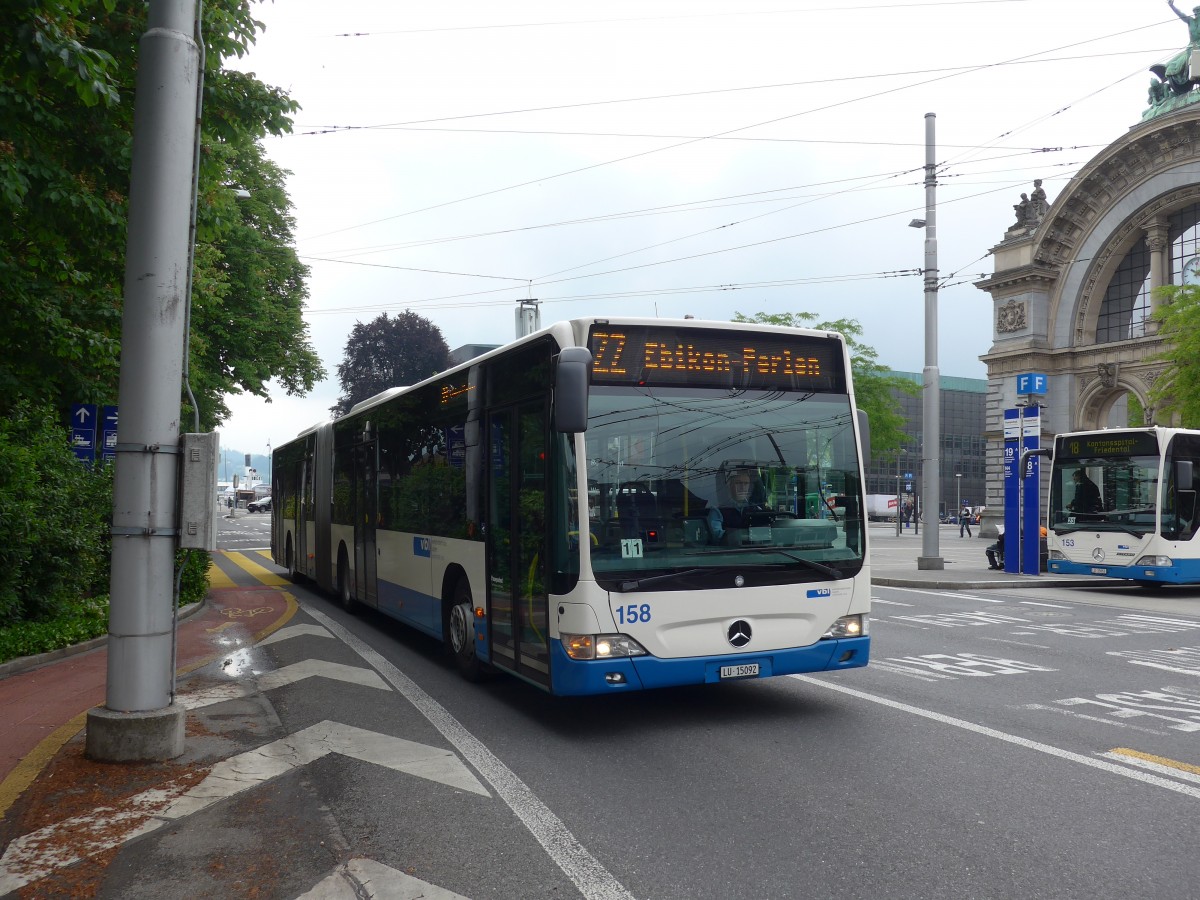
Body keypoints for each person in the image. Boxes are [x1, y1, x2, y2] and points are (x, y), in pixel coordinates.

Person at [708, 469, 765, 544]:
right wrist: (743, 535)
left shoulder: (757, 509)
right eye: (738, 483)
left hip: (756, 552)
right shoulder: (717, 511)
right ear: (729, 485)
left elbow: (766, 534)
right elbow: (717, 536)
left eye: (746, 483)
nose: (742, 487)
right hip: (727, 553)